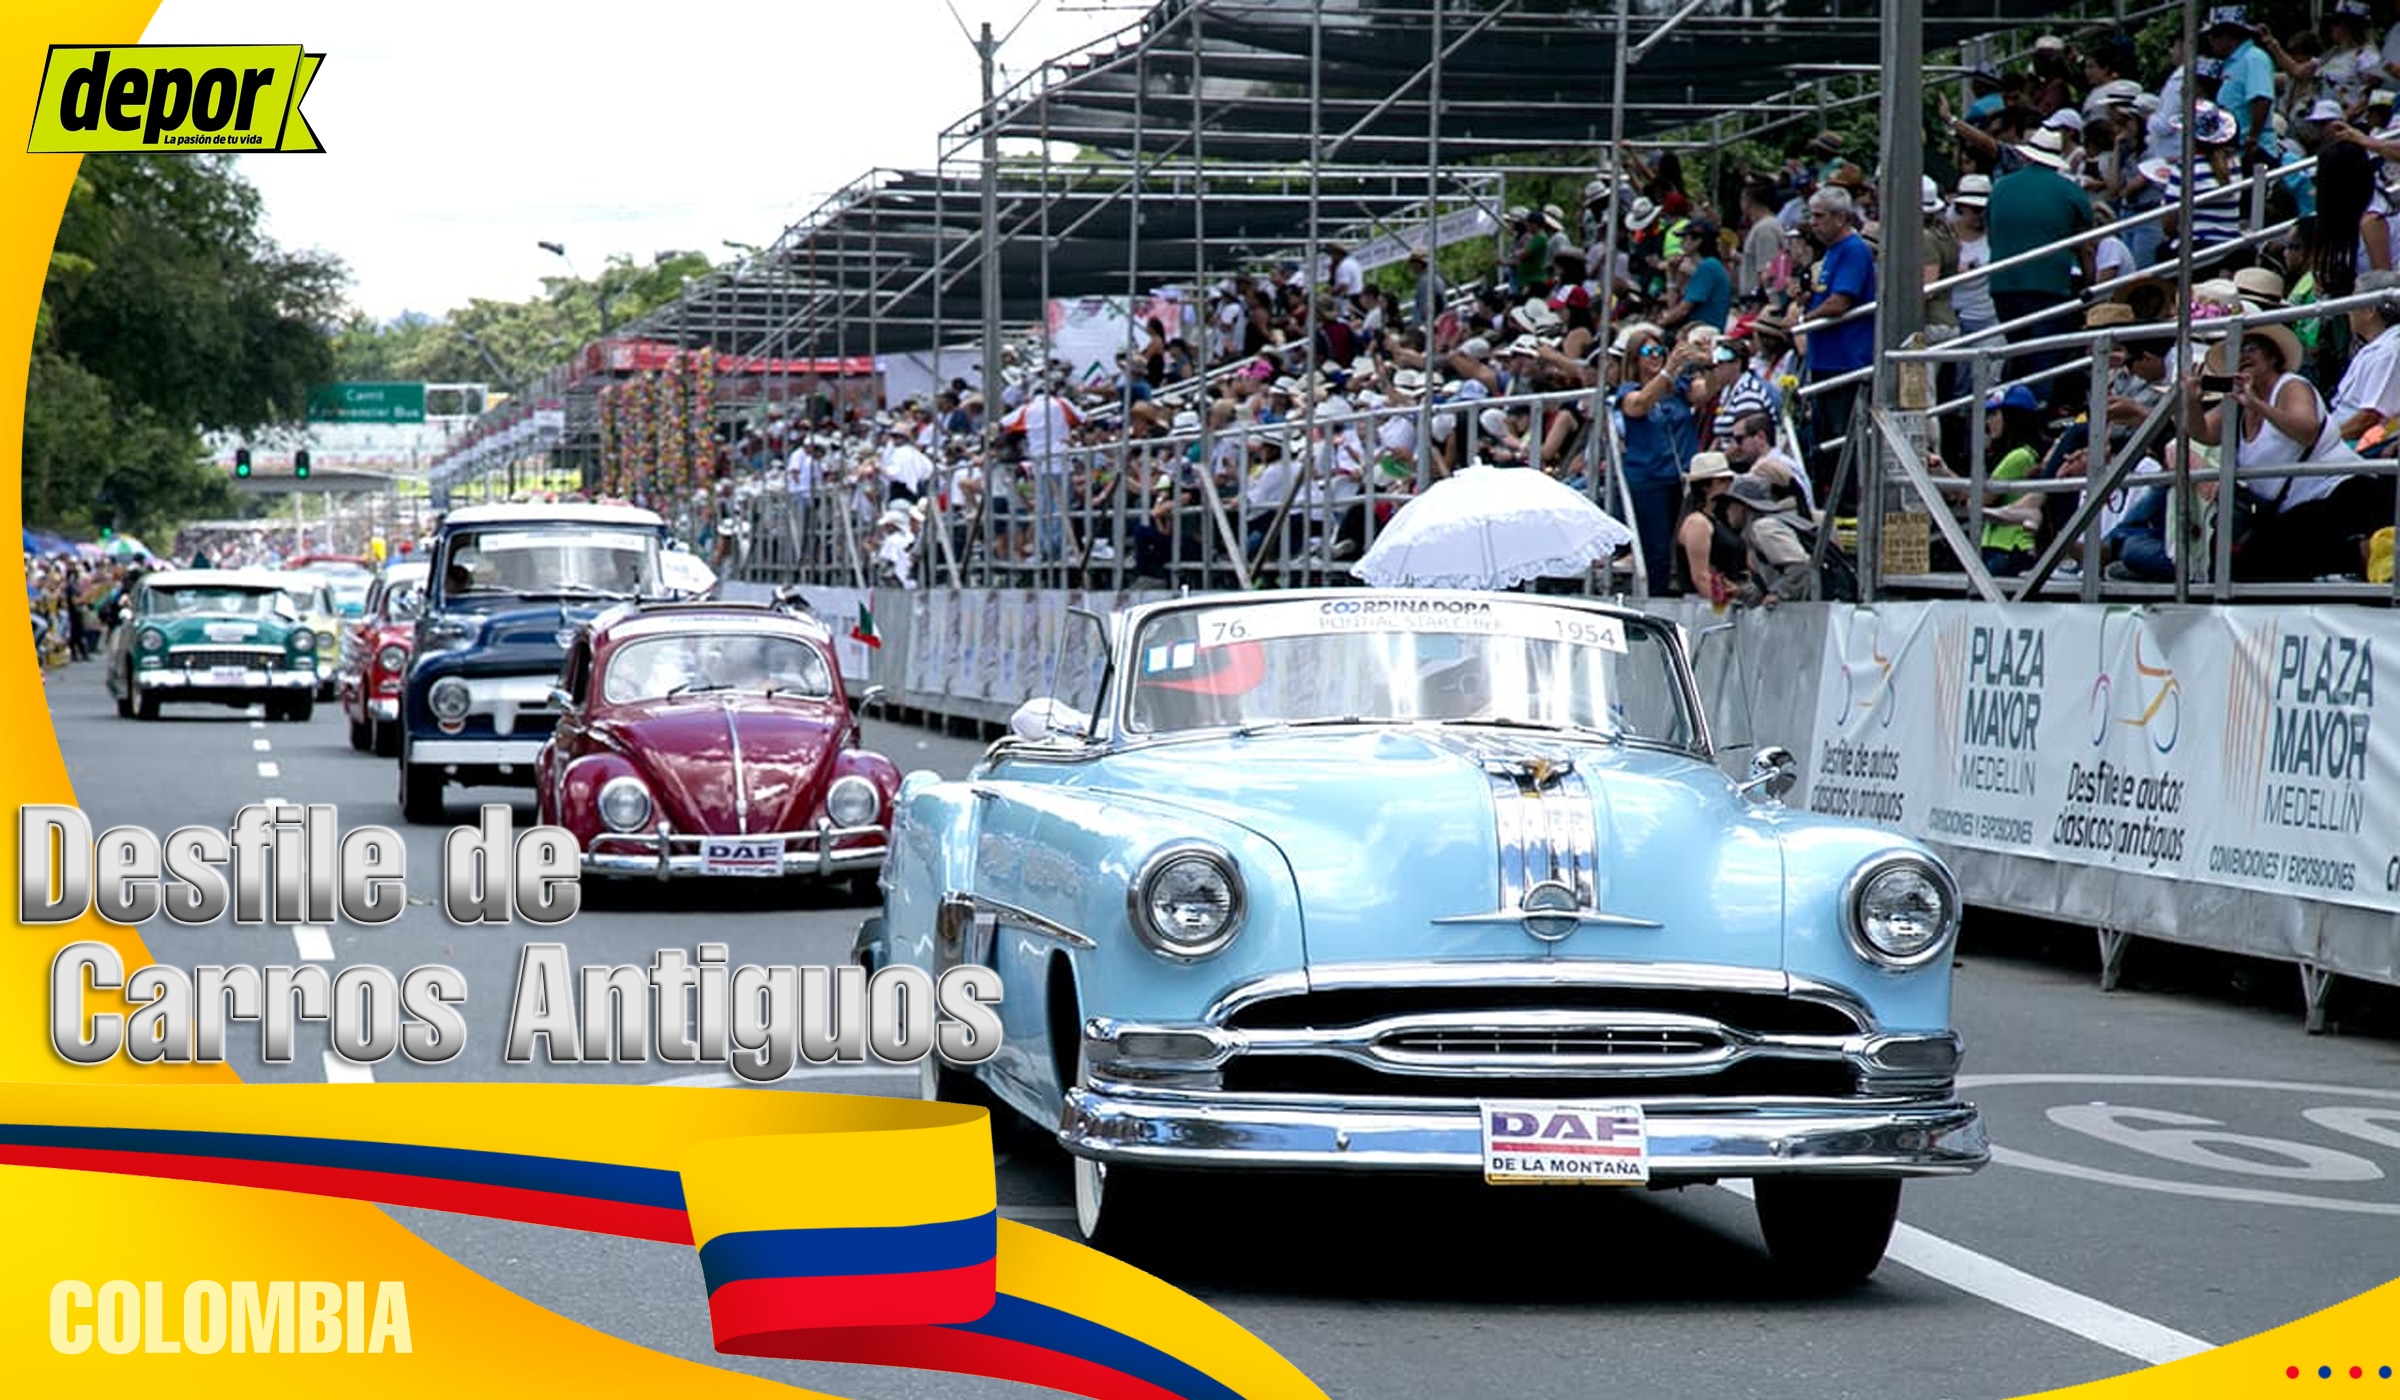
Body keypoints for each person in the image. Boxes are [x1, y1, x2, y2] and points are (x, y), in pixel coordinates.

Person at [1611, 324, 1710, 596]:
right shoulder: (1627, 390)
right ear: (1635, 358)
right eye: (1648, 351)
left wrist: (1709, 363)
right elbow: (1639, 405)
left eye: (1660, 351)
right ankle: (1655, 599)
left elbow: (1704, 393)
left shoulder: (1678, 388)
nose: (1655, 356)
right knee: (1656, 550)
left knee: (1687, 544)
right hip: (1648, 480)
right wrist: (1669, 370)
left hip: (1681, 478)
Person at [1798, 186, 1875, 511]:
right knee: (1823, 443)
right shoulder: (1831, 252)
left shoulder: (1853, 250)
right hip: (1826, 360)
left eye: (1819, 216)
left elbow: (1841, 301)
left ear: (1841, 217)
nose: (1813, 223)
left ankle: (1847, 508)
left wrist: (1805, 319)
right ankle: (1831, 503)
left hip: (1846, 361)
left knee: (1843, 441)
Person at [1719, 474, 1817, 606]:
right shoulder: (1756, 531)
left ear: (1743, 506)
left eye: (1730, 504)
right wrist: (1741, 593)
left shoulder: (1764, 528)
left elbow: (1801, 566)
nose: (1727, 511)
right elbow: (1766, 587)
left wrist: (1780, 595)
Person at [1673, 452, 1748, 605]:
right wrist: (1720, 608)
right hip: (1706, 604)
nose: (1729, 484)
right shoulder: (1698, 523)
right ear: (1706, 485)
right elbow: (1701, 577)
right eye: (1722, 481)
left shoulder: (1716, 520)